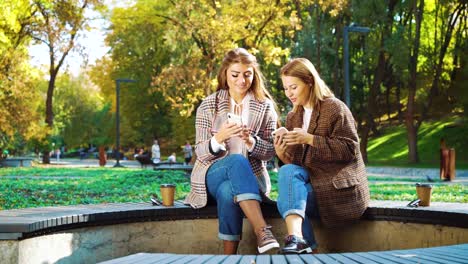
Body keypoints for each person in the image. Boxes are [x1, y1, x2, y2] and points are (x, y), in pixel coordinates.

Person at [184, 48, 280, 254]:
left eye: (247, 74)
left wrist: (251, 141)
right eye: (235, 75)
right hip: (211, 174)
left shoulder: (265, 107)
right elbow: (201, 153)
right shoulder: (209, 105)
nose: (241, 81)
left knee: (229, 191)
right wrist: (219, 138)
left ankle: (229, 257)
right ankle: (262, 230)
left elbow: (271, 151)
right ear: (225, 74)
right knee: (235, 161)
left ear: (254, 75)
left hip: (251, 179)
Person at [273, 58, 370, 254]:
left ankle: (309, 250)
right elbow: (298, 166)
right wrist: (282, 154)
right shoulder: (294, 116)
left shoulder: (334, 108)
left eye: (293, 87)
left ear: (309, 81)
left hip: (339, 190)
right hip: (313, 186)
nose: (289, 93)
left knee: (286, 198)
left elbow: (349, 149)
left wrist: (310, 139)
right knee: (287, 174)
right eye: (285, 88)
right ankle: (298, 240)